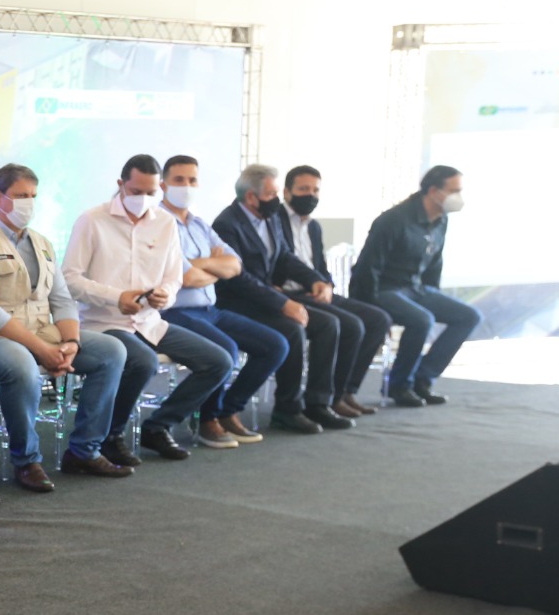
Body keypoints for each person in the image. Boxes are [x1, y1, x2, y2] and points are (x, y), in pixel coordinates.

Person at [0, 162, 132, 485]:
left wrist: (70, 343)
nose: (29, 203)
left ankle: (85, 450)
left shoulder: (42, 243)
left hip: (39, 331)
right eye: (21, 196)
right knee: (23, 367)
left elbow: (62, 300)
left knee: (111, 351)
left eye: (33, 196)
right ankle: (27, 461)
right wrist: (44, 351)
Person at [61, 154, 233, 463]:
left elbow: (173, 277)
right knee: (143, 362)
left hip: (149, 321)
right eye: (136, 191)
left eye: (150, 192)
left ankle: (158, 426)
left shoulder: (164, 223)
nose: (143, 199)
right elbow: (70, 279)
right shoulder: (92, 220)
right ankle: (111, 436)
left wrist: (165, 295)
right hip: (103, 323)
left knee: (218, 361)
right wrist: (116, 297)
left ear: (159, 189)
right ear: (121, 184)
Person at [211, 164, 353, 433]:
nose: (276, 199)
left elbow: (285, 257)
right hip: (238, 302)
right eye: (271, 194)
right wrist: (283, 303)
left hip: (265, 297)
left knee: (328, 324)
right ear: (251, 196)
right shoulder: (227, 224)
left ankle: (318, 403)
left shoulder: (269, 216)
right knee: (292, 329)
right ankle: (287, 409)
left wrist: (314, 279)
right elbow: (239, 278)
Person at [157, 154, 287, 447]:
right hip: (174, 312)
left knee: (275, 345)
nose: (186, 186)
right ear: (163, 185)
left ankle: (227, 410)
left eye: (192, 180)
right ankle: (202, 420)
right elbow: (185, 277)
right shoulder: (157, 224)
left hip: (209, 309)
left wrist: (198, 265)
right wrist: (212, 268)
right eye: (179, 180)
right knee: (226, 350)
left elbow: (235, 265)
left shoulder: (199, 224)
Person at [350, 165, 482, 406]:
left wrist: (434, 295)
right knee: (422, 320)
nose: (459, 197)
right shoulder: (393, 220)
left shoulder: (441, 220)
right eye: (454, 191)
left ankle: (423, 379)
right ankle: (399, 386)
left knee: (469, 316)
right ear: (433, 191)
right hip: (384, 289)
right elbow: (367, 268)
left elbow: (434, 263)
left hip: (416, 288)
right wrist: (369, 306)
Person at [278, 165, 392, 416]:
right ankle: (322, 399)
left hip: (315, 291)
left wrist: (326, 285)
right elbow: (281, 261)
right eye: (303, 189)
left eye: (315, 190)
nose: (310, 195)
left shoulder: (313, 226)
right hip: (287, 293)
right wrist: (314, 282)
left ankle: (345, 391)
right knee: (349, 325)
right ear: (286, 192)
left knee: (378, 319)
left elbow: (320, 266)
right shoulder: (274, 221)